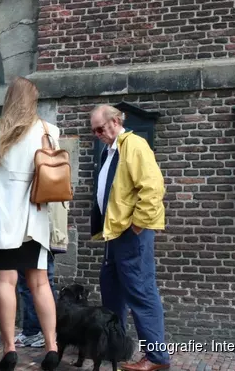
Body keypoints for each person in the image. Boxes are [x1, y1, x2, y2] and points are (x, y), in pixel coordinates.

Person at [0, 77, 61, 371]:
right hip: (35, 214)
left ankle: (9, 350)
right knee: (40, 283)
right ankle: (51, 347)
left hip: (4, 215)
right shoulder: (49, 130)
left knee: (5, 283)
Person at [90, 104, 169, 371]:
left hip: (130, 233)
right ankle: (117, 350)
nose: (97, 134)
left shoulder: (133, 145)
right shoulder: (110, 151)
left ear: (114, 121)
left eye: (100, 128)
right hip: (114, 234)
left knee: (141, 292)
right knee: (111, 291)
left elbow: (153, 187)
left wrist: (137, 225)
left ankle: (156, 357)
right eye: (94, 131)